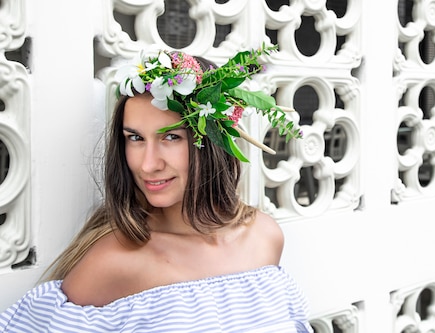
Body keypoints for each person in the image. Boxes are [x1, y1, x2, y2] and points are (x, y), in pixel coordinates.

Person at [0, 44, 313, 332]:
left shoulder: (264, 236)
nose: (148, 164)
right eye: (135, 138)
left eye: (170, 137)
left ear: (213, 142)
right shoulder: (114, 261)